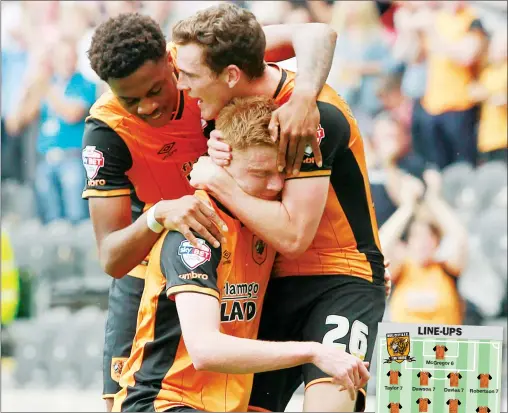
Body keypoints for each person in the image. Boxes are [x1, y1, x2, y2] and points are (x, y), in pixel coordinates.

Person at [83, 11, 338, 410]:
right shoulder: (107, 130)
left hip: (230, 244)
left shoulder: (197, 60)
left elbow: (317, 34)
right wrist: (158, 214)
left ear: (171, 63)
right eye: (130, 99)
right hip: (155, 266)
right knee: (130, 399)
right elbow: (111, 256)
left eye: (156, 89)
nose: (148, 107)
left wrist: (305, 97)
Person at [180, 4, 386, 411]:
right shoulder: (223, 84)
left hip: (340, 275)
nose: (180, 85)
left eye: (188, 77)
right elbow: (314, 33)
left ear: (230, 77)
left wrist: (220, 182)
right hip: (265, 278)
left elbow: (294, 235)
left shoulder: (314, 116)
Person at [112, 96, 370, 412]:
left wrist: (354, 278)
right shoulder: (195, 228)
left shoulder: (263, 224)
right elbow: (205, 350)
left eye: (281, 172)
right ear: (222, 163)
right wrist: (313, 352)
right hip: (165, 403)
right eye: (260, 174)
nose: (276, 185)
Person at [379, 169, 467, 325]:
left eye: (429, 237)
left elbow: (460, 238)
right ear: (408, 243)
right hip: (404, 347)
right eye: (417, 236)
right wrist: (407, 207)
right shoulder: (401, 270)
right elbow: (381, 245)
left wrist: (434, 199)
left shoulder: (447, 269)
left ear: (437, 242)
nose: (423, 242)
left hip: (444, 347)